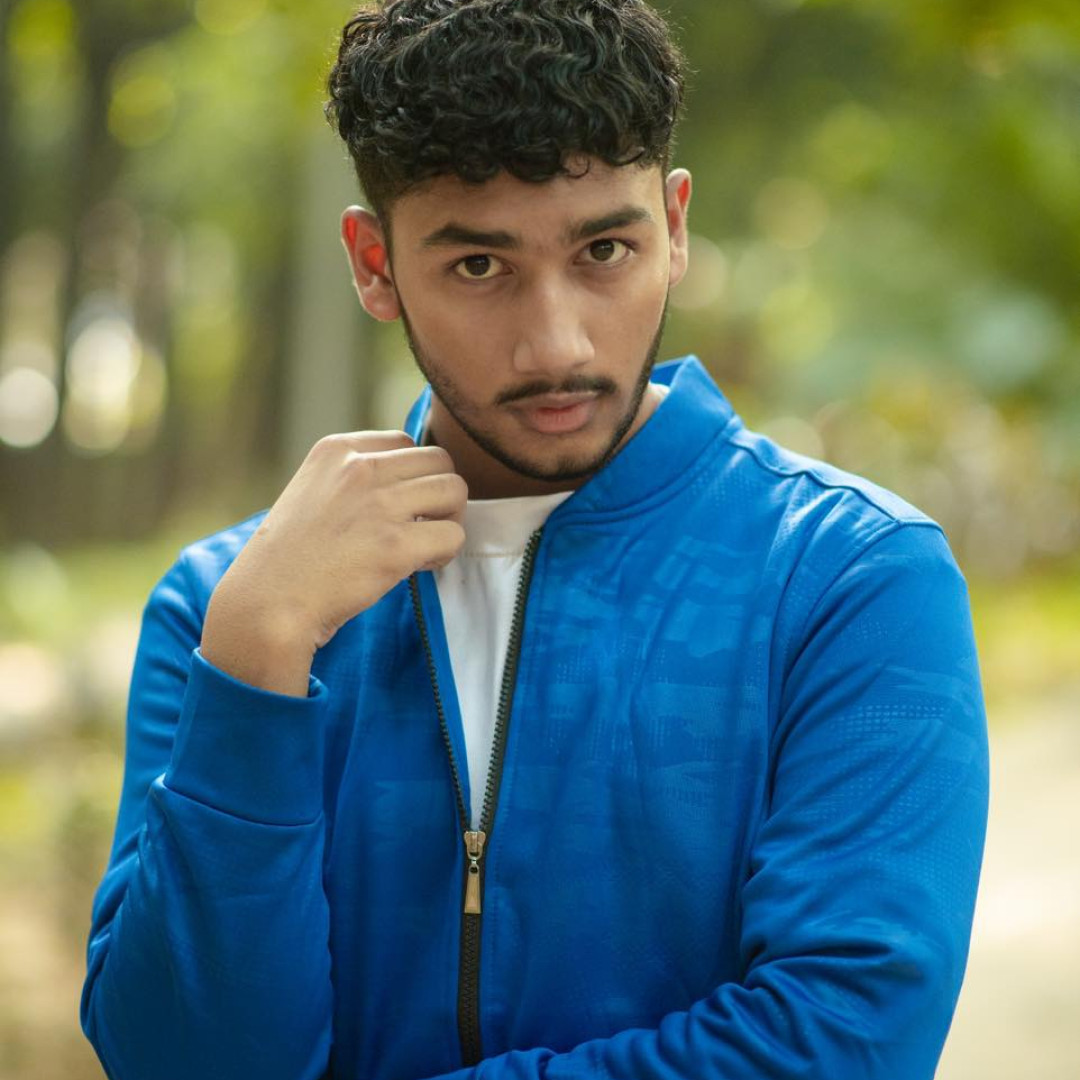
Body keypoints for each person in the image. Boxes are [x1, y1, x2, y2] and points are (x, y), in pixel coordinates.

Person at [80, 2, 989, 1078]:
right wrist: (255, 659)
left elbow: (839, 1045)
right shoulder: (226, 608)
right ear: (375, 264)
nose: (557, 343)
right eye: (480, 266)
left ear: (675, 227)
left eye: (605, 249)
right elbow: (183, 1060)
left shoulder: (850, 579)